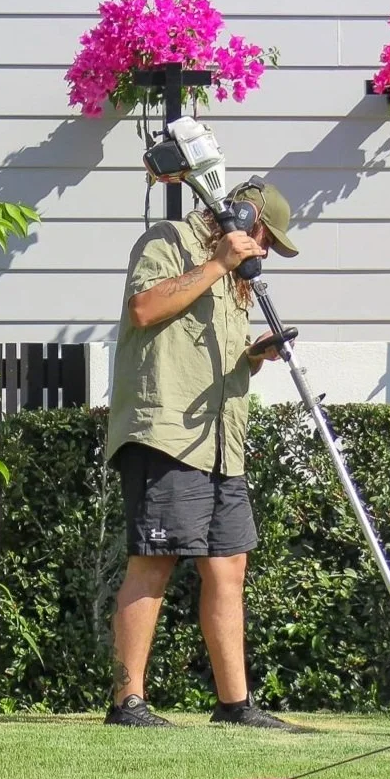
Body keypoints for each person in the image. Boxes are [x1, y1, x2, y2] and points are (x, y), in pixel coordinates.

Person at [102, 177, 306, 731]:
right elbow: (144, 309)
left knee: (228, 565)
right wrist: (218, 262)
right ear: (242, 216)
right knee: (155, 559)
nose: (264, 251)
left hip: (221, 437)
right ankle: (128, 703)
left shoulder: (238, 276)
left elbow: (210, 348)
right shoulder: (168, 239)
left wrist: (254, 355)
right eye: (265, 236)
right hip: (165, 430)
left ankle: (234, 706)